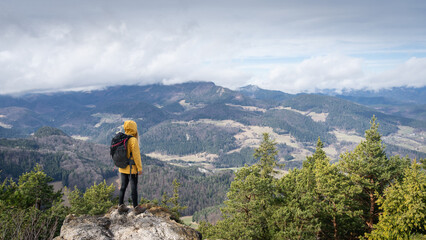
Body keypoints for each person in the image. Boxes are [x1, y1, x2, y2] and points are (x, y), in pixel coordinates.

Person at [118, 120, 144, 214]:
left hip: (122, 166)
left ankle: (120, 205)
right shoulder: (133, 140)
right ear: (134, 128)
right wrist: (139, 168)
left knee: (123, 186)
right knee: (133, 188)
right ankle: (136, 208)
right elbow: (136, 156)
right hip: (131, 169)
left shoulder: (122, 138)